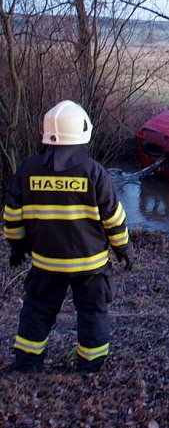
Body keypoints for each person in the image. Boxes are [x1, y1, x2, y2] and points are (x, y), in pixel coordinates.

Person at [2, 100, 134, 373]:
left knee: (37, 312)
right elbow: (114, 220)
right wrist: (123, 250)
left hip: (46, 264)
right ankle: (91, 364)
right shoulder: (94, 172)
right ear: (82, 133)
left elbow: (12, 216)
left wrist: (16, 247)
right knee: (92, 313)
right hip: (90, 265)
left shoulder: (27, 170)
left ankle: (27, 363)